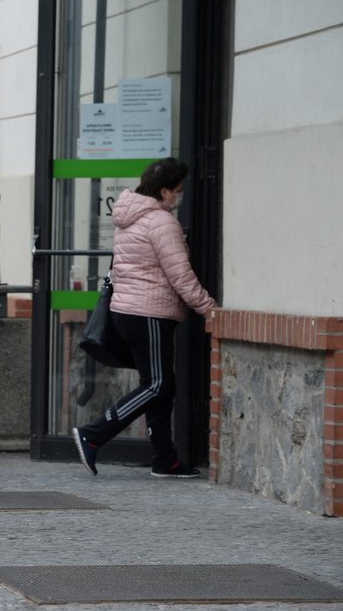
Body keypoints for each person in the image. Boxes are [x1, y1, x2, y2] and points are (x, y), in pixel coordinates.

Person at [72, 157, 216, 479]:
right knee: (159, 384)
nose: (178, 198)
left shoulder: (128, 218)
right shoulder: (161, 222)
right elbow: (180, 275)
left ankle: (165, 460)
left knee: (158, 386)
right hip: (148, 313)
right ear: (164, 191)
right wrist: (208, 308)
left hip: (127, 312)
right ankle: (94, 433)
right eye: (176, 191)